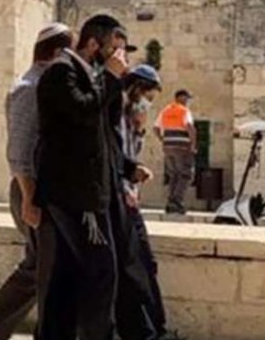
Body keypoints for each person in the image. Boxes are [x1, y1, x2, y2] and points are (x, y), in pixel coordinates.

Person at [0, 23, 71, 340]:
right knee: (43, 266)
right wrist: (29, 197)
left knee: (37, 265)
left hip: (41, 189)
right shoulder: (30, 88)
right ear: (58, 52)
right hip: (31, 187)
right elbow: (19, 150)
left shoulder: (47, 85)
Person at [34, 13, 130, 340]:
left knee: (70, 274)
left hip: (84, 192)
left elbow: (100, 130)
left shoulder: (87, 74)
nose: (118, 59)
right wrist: (112, 80)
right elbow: (82, 110)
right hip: (74, 196)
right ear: (92, 45)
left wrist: (127, 169)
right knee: (101, 273)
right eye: (112, 50)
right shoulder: (61, 72)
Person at [113, 64, 167, 339]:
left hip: (130, 200)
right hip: (121, 201)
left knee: (146, 264)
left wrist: (140, 130)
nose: (147, 102)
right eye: (146, 94)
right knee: (133, 269)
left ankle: (155, 327)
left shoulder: (131, 119)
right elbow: (118, 158)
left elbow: (132, 152)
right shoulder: (115, 114)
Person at [154, 90, 196, 215]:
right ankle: (177, 202)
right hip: (182, 147)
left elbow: (156, 128)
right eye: (187, 99)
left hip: (168, 147)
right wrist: (193, 145)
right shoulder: (184, 111)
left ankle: (170, 203)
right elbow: (190, 127)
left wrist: (163, 139)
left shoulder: (165, 111)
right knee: (186, 175)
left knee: (174, 176)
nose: (188, 102)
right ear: (183, 99)